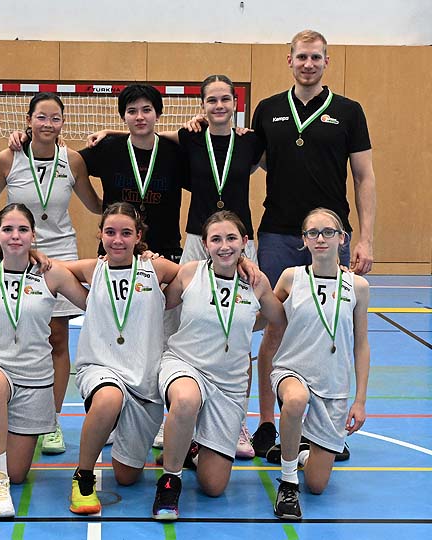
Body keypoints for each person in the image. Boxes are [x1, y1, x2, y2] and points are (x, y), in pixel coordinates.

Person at [88, 76, 265, 457]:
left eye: (225, 99)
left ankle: (236, 421)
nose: (218, 106)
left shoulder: (250, 141)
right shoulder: (189, 138)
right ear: (201, 106)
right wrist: (111, 133)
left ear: (236, 103)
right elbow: (151, 134)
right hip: (197, 239)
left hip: (236, 241)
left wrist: (242, 252)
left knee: (236, 330)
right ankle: (167, 412)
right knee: (175, 326)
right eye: (211, 100)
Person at [251, 30, 376, 458]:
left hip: (329, 235)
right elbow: (244, 155)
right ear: (289, 60)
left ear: (327, 61)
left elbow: (364, 176)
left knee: (328, 328)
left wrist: (365, 238)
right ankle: (267, 423)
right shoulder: (268, 110)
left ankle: (321, 427)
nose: (308, 64)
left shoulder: (349, 112)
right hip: (278, 232)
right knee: (274, 328)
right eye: (301, 57)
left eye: (316, 57)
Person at [0, 93, 102, 455]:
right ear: (28, 120)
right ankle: (0, 417)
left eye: (55, 118)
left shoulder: (73, 160)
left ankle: (50, 421)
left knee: (57, 339)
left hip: (59, 253)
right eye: (41, 117)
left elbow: (96, 204)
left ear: (63, 123)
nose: (48, 124)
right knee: (11, 331)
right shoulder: (9, 157)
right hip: (16, 250)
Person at [153, 211, 284, 520]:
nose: (224, 246)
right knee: (186, 399)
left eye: (231, 238)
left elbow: (278, 318)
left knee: (214, 486)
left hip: (228, 383)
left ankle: (191, 449)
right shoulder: (190, 273)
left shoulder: (256, 283)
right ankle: (170, 481)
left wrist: (247, 320)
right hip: (186, 365)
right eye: (216, 239)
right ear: (205, 244)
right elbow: (158, 302)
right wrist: (148, 261)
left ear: (245, 242)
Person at [0, 203, 89, 518]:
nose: (15, 236)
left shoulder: (51, 273)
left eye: (22, 230)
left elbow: (94, 302)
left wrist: (140, 261)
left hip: (34, 377)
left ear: (34, 235)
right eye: (8, 230)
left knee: (18, 473)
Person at [63, 202, 179, 515]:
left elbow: (197, 276)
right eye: (110, 232)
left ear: (139, 236)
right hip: (100, 367)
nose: (117, 240)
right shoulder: (94, 269)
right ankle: (83, 476)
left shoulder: (155, 268)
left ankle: (184, 447)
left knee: (127, 477)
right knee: (108, 398)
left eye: (126, 233)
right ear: (100, 234)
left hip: (143, 382)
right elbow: (51, 268)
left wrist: (241, 263)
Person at [258, 208, 370, 520]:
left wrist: (360, 401)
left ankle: (301, 452)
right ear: (304, 240)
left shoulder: (358, 287)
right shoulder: (291, 278)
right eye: (313, 233)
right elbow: (266, 318)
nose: (321, 238)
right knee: (295, 400)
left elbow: (361, 344)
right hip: (291, 371)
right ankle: (288, 483)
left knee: (318, 485)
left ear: (342, 238)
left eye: (328, 232)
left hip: (333, 385)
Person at [79, 84, 187, 262]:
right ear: (123, 116)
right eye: (132, 111)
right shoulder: (107, 149)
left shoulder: (176, 153)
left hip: (164, 252)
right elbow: (70, 162)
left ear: (158, 114)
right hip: (114, 251)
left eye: (146, 110)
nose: (139, 117)